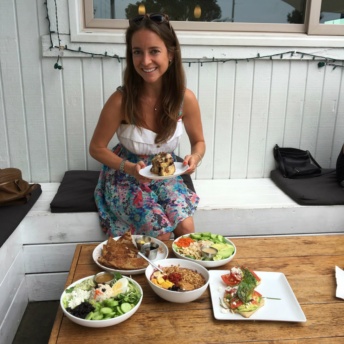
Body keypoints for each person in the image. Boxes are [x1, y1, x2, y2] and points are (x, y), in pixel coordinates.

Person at [89, 13, 205, 241]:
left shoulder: (185, 99)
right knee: (160, 235)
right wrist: (130, 167)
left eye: (154, 51)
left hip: (165, 171)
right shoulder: (120, 100)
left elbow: (199, 142)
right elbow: (96, 148)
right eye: (137, 52)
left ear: (170, 54)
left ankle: (179, 275)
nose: (145, 61)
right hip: (125, 174)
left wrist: (195, 157)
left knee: (186, 231)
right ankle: (149, 275)